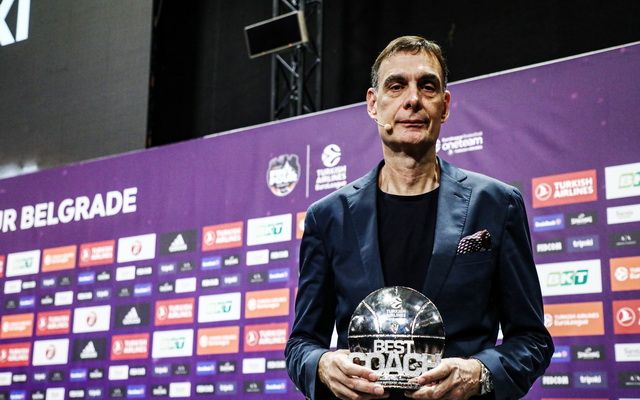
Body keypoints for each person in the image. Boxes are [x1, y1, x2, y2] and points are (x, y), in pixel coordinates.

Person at [285, 36, 553, 400]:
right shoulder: (328, 217)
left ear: (444, 106)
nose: (412, 99)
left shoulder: (496, 204)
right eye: (396, 86)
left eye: (427, 86)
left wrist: (480, 373)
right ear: (373, 104)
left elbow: (532, 340)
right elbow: (301, 344)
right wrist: (320, 364)